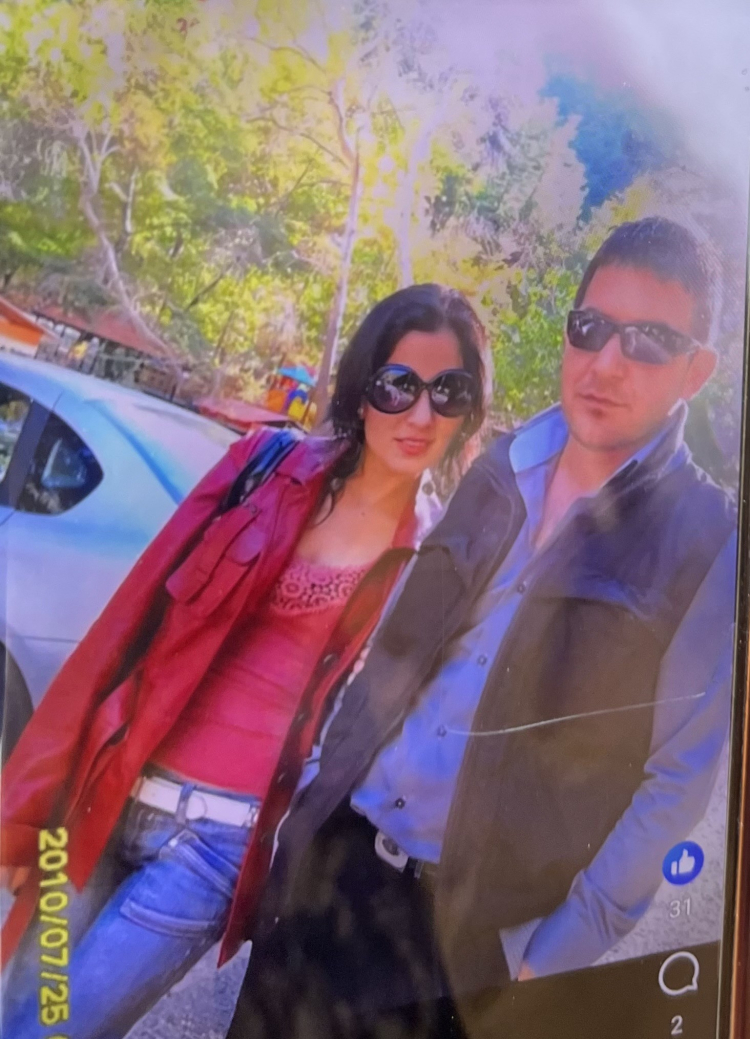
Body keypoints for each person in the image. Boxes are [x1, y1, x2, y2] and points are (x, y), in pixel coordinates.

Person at [227, 217, 738, 1039]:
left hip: (455, 946)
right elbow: (401, 642)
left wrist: (547, 960)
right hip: (332, 863)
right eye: (591, 327)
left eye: (648, 341)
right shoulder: (502, 463)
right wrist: (317, 785)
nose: (607, 362)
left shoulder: (710, 542)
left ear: (696, 371)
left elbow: (674, 782)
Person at [0, 283, 490, 1039]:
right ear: (363, 389)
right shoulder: (263, 468)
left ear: (468, 411)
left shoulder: (434, 563)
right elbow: (124, 630)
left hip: (215, 852)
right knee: (22, 1013)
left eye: (447, 391)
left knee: (58, 1029)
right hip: (108, 790)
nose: (420, 414)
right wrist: (27, 808)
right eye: (399, 385)